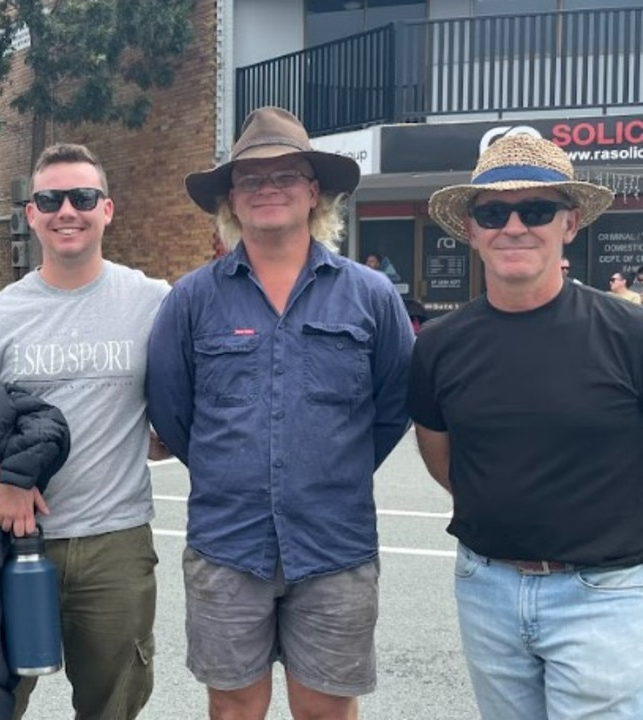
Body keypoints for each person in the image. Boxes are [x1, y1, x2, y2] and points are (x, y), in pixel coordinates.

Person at [149, 106, 413, 720]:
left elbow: (394, 404)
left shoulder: (370, 296)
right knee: (235, 707)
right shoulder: (191, 299)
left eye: (286, 175)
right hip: (227, 544)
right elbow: (174, 410)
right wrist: (232, 466)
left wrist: (329, 464)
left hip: (335, 545)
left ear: (314, 191)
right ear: (232, 200)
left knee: (325, 710)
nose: (268, 189)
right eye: (251, 179)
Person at [0, 143, 170, 719]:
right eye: (50, 199)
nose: (68, 210)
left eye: (83, 197)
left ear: (107, 209)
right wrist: (0, 481)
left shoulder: (155, 301)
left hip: (116, 541)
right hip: (10, 539)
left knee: (113, 705)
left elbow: (178, 413)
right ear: (31, 214)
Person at [409, 134, 643, 720]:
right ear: (471, 229)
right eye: (494, 212)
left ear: (568, 224)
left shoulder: (627, 333)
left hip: (605, 593)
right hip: (486, 587)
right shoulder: (439, 344)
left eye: (535, 210)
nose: (514, 226)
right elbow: (442, 454)